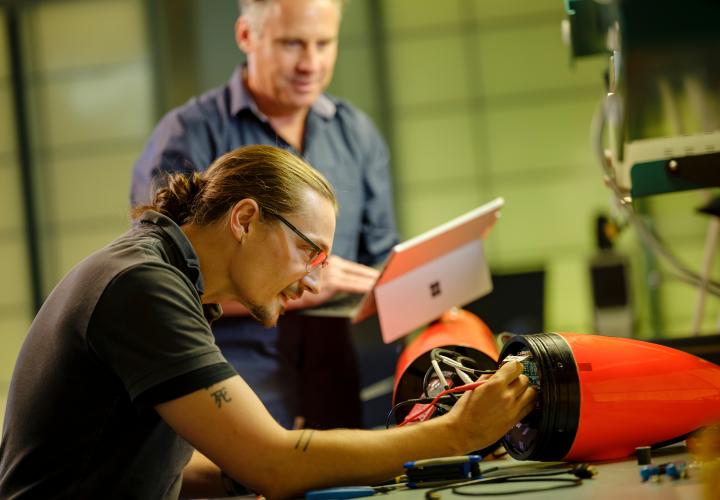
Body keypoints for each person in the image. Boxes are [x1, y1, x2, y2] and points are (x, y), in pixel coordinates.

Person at [0, 145, 535, 499]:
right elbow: (274, 464)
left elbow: (134, 466)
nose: (314, 282)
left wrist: (239, 471)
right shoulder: (143, 287)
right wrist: (458, 432)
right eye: (310, 252)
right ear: (246, 218)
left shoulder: (164, 276)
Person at [131, 0, 398, 430]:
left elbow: (382, 255)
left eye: (324, 43)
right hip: (233, 365)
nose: (310, 62)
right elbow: (160, 282)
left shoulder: (357, 134)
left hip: (335, 362)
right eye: (292, 43)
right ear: (245, 36)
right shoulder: (189, 134)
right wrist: (297, 283)